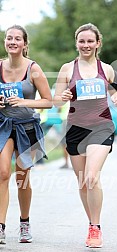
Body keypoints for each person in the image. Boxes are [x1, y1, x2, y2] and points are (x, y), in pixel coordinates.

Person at [53, 23, 117, 248]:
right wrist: (62, 96)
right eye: (82, 41)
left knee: (92, 176)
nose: (86, 45)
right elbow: (55, 99)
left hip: (101, 127)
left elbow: (115, 89)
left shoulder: (107, 69)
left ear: (98, 43)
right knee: (83, 182)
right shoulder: (67, 69)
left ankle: (96, 227)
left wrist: (116, 98)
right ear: (76, 43)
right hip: (75, 129)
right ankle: (91, 224)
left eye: (90, 41)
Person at [0, 25, 52, 244]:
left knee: (22, 178)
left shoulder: (34, 69)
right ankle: (0, 227)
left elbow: (48, 101)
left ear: (24, 44)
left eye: (17, 38)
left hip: (27, 127)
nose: (13, 42)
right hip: (3, 125)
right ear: (5, 42)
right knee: (2, 173)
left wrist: (24, 101)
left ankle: (24, 223)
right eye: (9, 38)